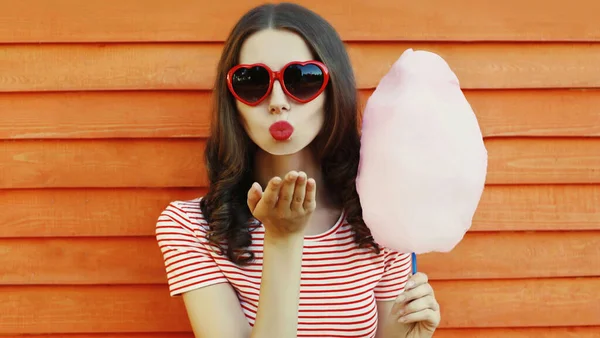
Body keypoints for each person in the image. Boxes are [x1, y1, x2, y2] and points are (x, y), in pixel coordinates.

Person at [155, 2, 441, 337]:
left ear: (334, 91)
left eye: (303, 78)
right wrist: (282, 240)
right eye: (252, 81)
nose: (277, 100)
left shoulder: (379, 221)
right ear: (231, 101)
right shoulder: (192, 228)